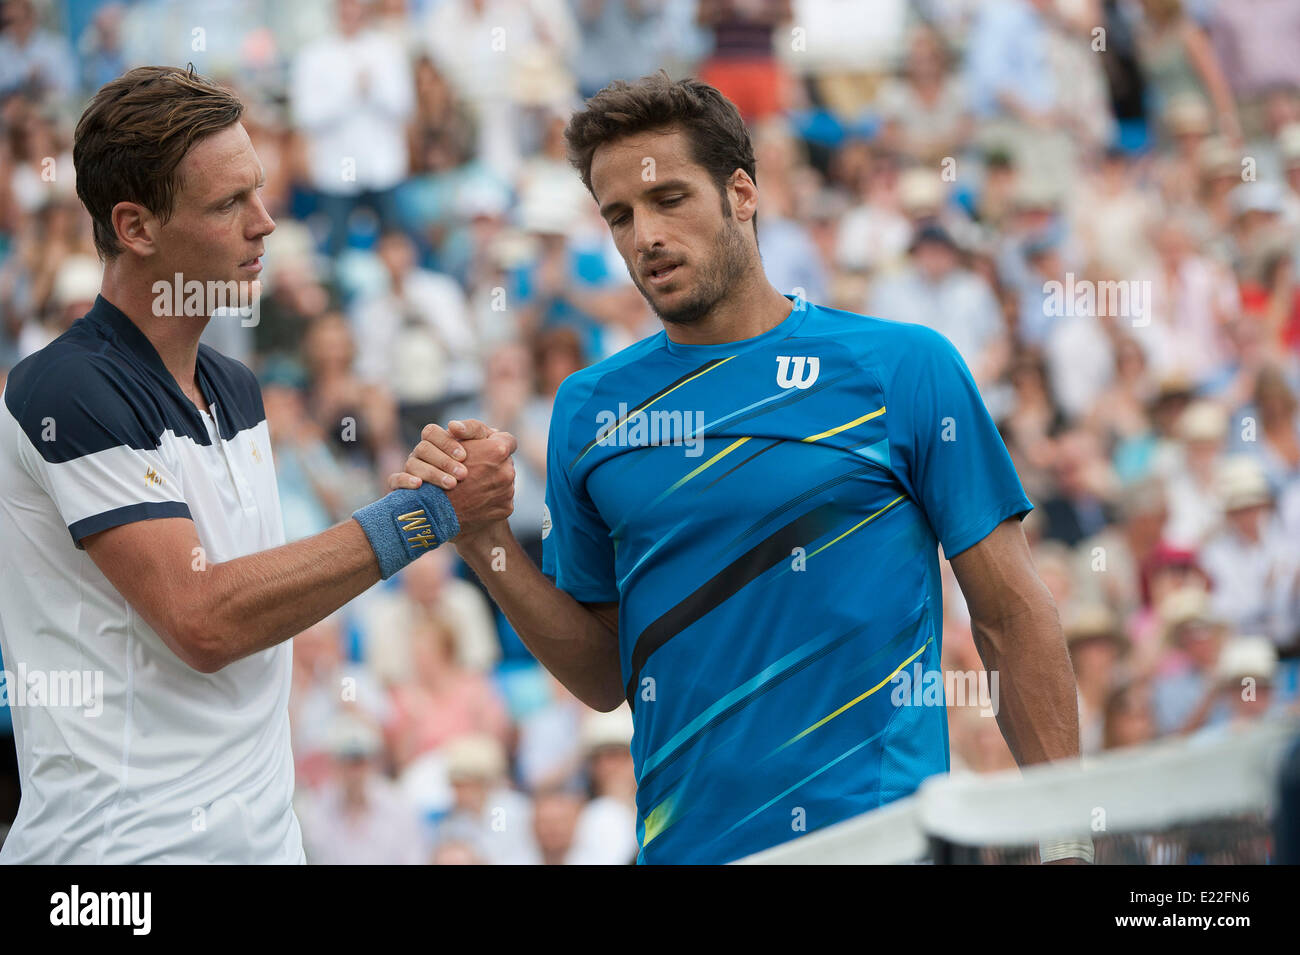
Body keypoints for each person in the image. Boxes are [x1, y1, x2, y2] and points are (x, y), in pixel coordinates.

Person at [396, 74, 1083, 864]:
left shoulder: (905, 368)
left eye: (670, 200)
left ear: (743, 193)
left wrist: (1065, 839)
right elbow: (601, 672)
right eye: (619, 216)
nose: (645, 234)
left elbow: (1010, 613)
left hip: (887, 846)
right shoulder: (586, 410)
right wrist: (482, 537)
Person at [0, 66, 515, 864]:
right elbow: (205, 620)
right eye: (228, 204)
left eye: (260, 191)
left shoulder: (237, 387)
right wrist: (424, 514)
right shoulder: (63, 387)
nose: (266, 222)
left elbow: (262, 593)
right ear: (135, 227)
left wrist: (420, 485)